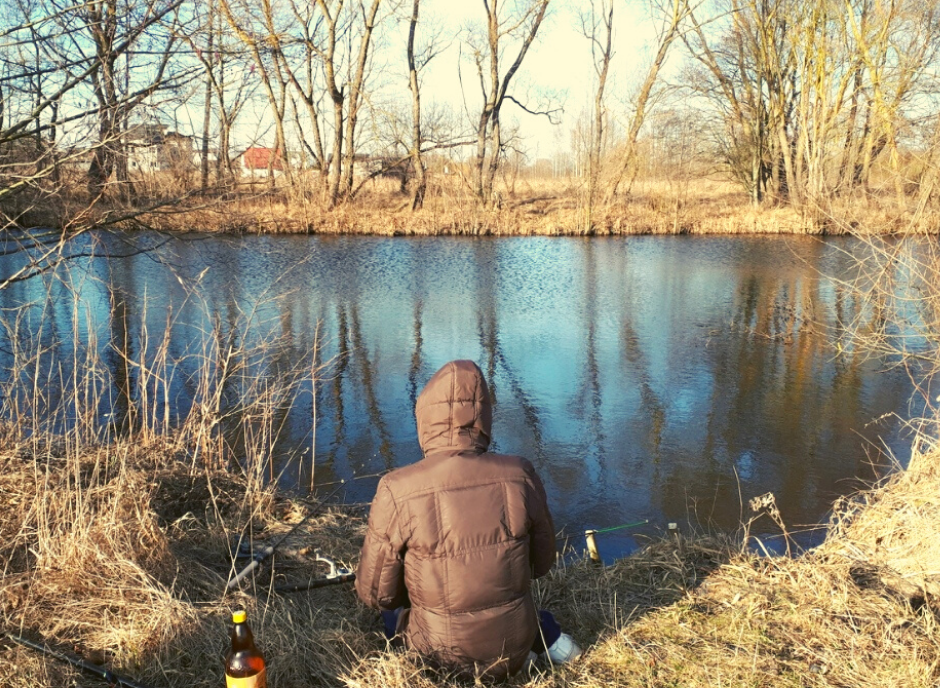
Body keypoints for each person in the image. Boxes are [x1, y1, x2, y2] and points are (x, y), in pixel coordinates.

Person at [355, 359, 581, 680]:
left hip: (439, 657)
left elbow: (376, 594)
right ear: (483, 418)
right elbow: (541, 564)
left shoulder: (397, 487)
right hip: (514, 649)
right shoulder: (520, 473)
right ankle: (546, 638)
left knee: (391, 611)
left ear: (426, 418)